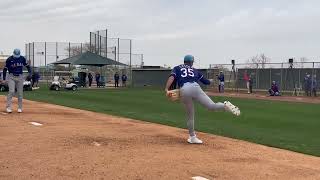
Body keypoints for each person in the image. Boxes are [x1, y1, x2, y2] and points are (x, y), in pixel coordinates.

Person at [164, 55, 240, 144]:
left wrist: (166, 89)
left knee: (190, 116)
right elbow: (205, 82)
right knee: (211, 106)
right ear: (191, 62)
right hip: (196, 87)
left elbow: (172, 77)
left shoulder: (177, 68)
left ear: (184, 61)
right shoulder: (195, 70)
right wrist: (211, 81)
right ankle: (224, 105)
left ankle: (192, 137)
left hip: (184, 89)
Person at [1, 49, 31, 113]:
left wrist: (30, 73)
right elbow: (5, 70)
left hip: (20, 76)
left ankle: (20, 107)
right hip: (11, 76)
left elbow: (28, 66)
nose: (17, 56)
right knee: (11, 91)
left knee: (20, 93)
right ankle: (8, 107)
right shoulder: (9, 59)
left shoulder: (22, 58)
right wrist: (3, 79)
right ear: (13, 53)